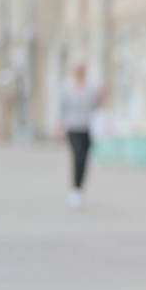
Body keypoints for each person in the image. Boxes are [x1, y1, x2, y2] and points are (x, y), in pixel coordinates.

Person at [57, 63, 104, 208]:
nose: (81, 71)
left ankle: (80, 189)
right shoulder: (67, 87)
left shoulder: (89, 87)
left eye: (83, 69)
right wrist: (58, 126)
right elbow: (61, 107)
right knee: (77, 156)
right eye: (78, 69)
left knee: (84, 159)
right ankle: (75, 190)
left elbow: (94, 105)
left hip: (86, 128)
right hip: (72, 128)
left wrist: (101, 96)